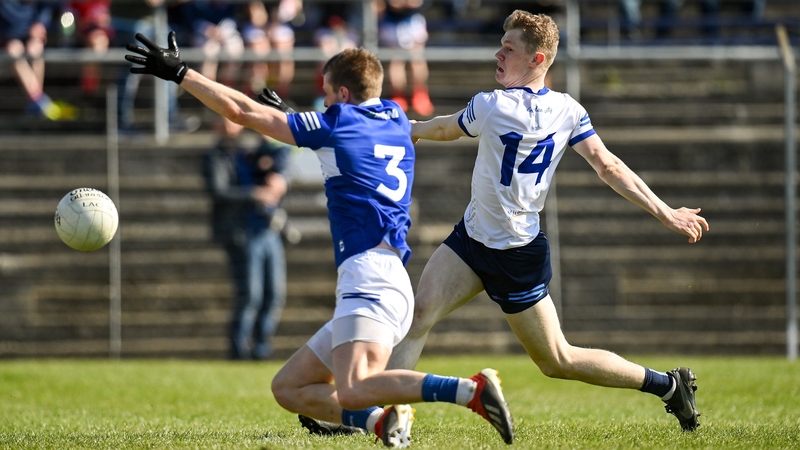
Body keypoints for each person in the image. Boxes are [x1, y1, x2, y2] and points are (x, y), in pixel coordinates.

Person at [125, 33, 514, 447]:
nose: (323, 104)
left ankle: (470, 390)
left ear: (343, 93)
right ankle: (380, 425)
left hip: (370, 278)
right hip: (387, 277)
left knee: (353, 387)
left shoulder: (338, 122)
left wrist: (180, 73)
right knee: (289, 389)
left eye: (327, 95)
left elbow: (241, 111)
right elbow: (352, 149)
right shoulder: (396, 116)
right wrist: (296, 120)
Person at [381, 10, 706, 432]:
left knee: (558, 361)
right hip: (472, 240)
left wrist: (403, 129)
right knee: (417, 316)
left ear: (537, 60)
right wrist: (665, 212)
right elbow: (609, 166)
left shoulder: (495, 104)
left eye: (509, 48)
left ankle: (667, 385)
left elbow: (443, 130)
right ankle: (380, 415)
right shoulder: (566, 109)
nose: (498, 53)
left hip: (516, 254)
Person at [203, 116, 292, 361]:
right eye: (225, 121)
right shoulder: (215, 156)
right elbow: (219, 191)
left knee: (274, 294)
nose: (231, 126)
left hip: (267, 231)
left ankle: (262, 348)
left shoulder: (248, 152)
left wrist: (279, 177)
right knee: (250, 295)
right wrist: (255, 193)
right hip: (241, 233)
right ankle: (239, 350)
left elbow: (280, 159)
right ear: (217, 126)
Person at [0, 0, 62, 120]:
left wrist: (40, 25)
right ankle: (40, 101)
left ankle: (36, 102)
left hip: (29, 39)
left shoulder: (42, 7)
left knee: (36, 49)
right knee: (13, 50)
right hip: (8, 40)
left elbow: (53, 8)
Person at [376, 0, 434, 117]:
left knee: (417, 60)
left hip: (412, 21)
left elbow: (416, 3)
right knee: (396, 61)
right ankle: (398, 96)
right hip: (391, 23)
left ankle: (420, 94)